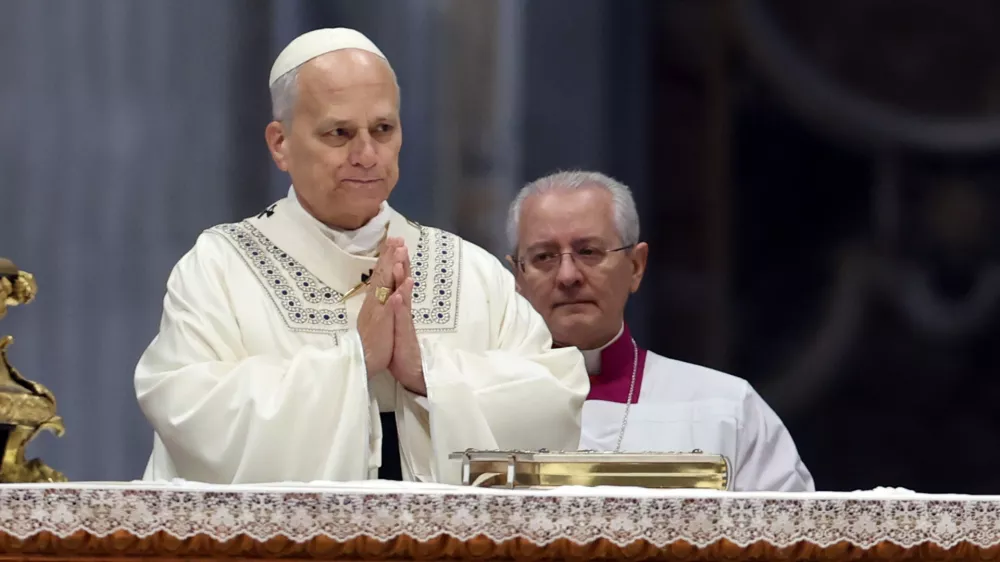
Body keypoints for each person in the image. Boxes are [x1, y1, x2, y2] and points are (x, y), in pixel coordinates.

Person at [133, 28, 589, 485]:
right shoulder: (220, 269)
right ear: (280, 144)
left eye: (383, 130)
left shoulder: (472, 272)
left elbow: (553, 402)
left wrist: (426, 373)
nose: (367, 154)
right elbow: (189, 409)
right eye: (339, 133)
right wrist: (355, 360)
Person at [506, 170, 814, 492]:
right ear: (517, 277)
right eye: (544, 257)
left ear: (636, 266)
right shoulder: (475, 405)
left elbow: (791, 535)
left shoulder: (727, 408)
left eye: (588, 252)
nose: (568, 275)